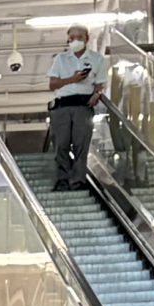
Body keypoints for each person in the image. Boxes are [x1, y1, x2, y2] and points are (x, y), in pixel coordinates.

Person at [46, 22, 106, 189]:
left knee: (81, 144)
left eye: (79, 37)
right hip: (62, 105)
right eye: (71, 38)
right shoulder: (61, 59)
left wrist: (97, 94)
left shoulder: (97, 59)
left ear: (87, 39)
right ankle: (62, 179)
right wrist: (72, 79)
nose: (75, 41)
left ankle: (78, 180)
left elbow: (100, 83)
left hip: (83, 105)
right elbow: (52, 84)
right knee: (61, 144)